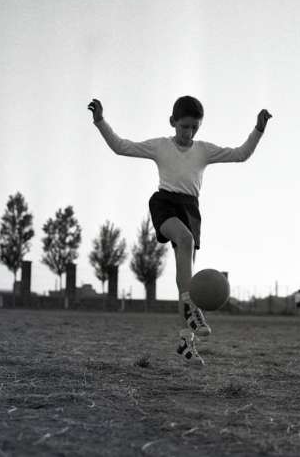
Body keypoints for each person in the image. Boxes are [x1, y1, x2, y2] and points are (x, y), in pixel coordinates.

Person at [88, 96, 272, 366]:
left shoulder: (204, 151)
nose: (189, 132)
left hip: (190, 210)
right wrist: (100, 121)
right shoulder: (160, 146)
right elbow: (120, 146)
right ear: (172, 122)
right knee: (184, 241)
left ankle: (186, 342)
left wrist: (258, 130)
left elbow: (240, 154)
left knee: (185, 280)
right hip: (164, 203)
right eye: (184, 126)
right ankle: (192, 309)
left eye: (195, 127)